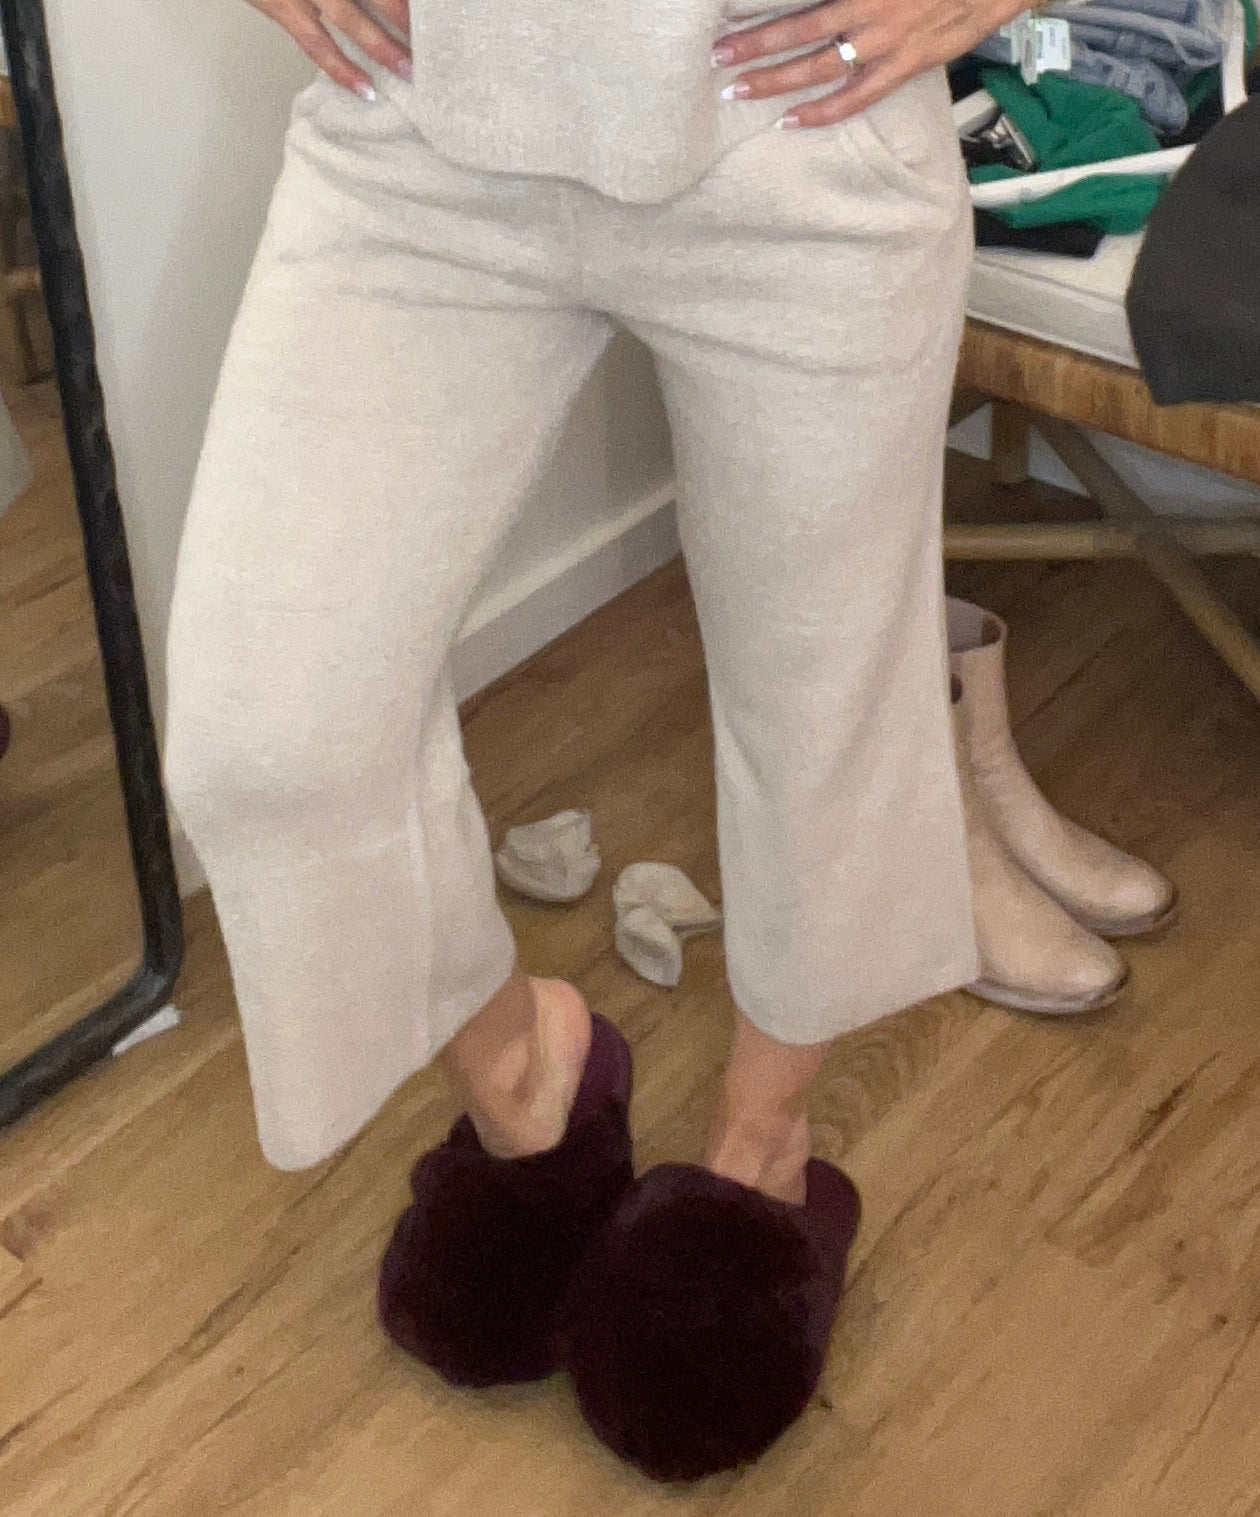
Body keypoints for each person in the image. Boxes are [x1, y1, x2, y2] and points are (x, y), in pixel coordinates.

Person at [164, 0, 1045, 1482]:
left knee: (823, 698)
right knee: (270, 732)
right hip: (424, 118)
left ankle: (765, 1146)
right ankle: (526, 1074)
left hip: (800, 125)